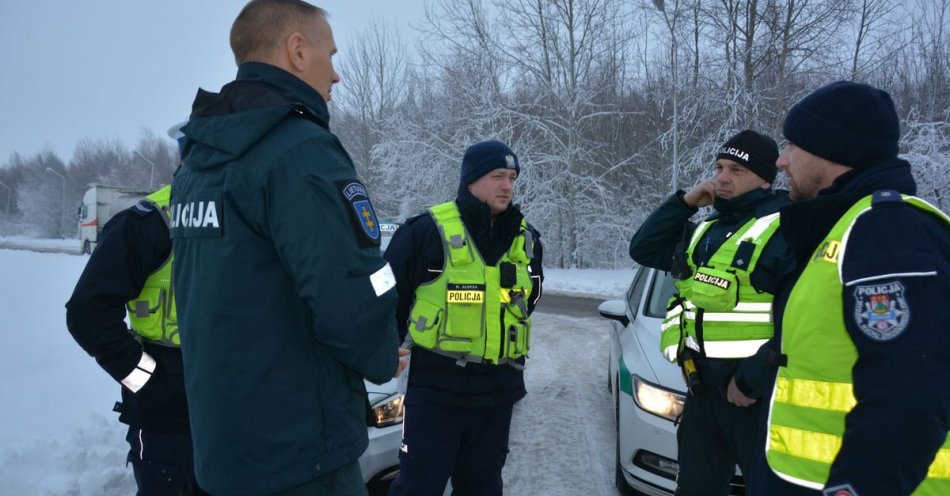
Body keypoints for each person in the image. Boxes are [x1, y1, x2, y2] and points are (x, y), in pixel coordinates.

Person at [169, 1, 402, 495]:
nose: (336, 75)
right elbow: (349, 291)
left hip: (225, 450)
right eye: (330, 55)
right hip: (302, 457)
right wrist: (384, 355)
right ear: (298, 50)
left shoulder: (197, 165)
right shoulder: (299, 151)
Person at [749, 81, 950, 496]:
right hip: (803, 480)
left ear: (833, 152)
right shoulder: (843, 227)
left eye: (793, 146)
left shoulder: (887, 231)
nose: (782, 160)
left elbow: (910, 392)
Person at [629, 130, 789, 495]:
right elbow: (643, 248)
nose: (722, 178)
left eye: (736, 170)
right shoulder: (706, 230)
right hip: (701, 394)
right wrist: (686, 202)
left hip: (754, 399)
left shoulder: (784, 230)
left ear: (766, 179)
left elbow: (799, 320)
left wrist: (750, 380)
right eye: (719, 167)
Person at [383, 140, 544, 496]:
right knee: (417, 487)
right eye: (497, 176)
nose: (507, 186)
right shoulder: (425, 232)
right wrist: (385, 351)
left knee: (483, 488)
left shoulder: (526, 239)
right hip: (435, 393)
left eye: (512, 177)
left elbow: (527, 301)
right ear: (470, 180)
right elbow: (386, 300)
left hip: (497, 394)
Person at [65, 170, 205, 493]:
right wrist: (150, 381)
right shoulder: (152, 221)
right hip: (169, 417)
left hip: (235, 410)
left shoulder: (248, 209)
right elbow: (88, 313)